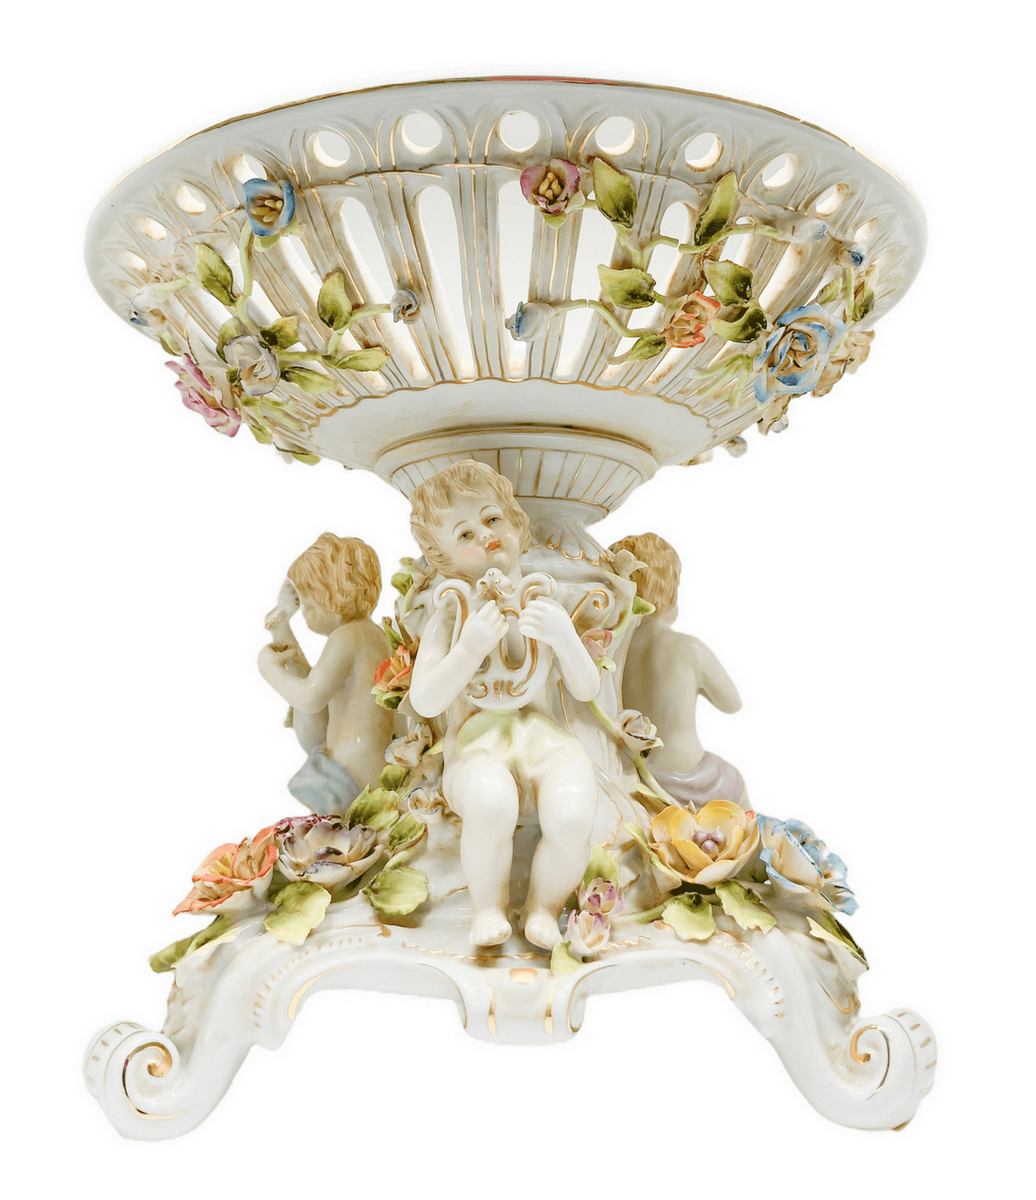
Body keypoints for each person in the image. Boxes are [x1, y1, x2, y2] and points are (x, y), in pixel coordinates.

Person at [407, 461, 601, 950]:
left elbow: (585, 688)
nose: (486, 535)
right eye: (465, 534)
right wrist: (468, 649)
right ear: (442, 557)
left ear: (516, 522)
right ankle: (488, 908)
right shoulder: (453, 614)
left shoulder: (544, 603)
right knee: (490, 801)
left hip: (547, 741)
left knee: (573, 816)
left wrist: (564, 637)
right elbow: (425, 698)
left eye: (492, 519)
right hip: (478, 746)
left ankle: (544, 908)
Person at [258, 534, 394, 814]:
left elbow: (310, 698)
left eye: (309, 607)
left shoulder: (347, 638)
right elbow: (314, 683)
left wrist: (269, 670)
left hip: (352, 771)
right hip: (372, 765)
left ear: (332, 601)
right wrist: (282, 629)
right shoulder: (374, 635)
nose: (305, 613)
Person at [610, 532, 748, 808]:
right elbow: (732, 704)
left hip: (635, 775)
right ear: (669, 589)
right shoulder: (688, 648)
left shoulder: (613, 651)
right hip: (690, 776)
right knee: (734, 782)